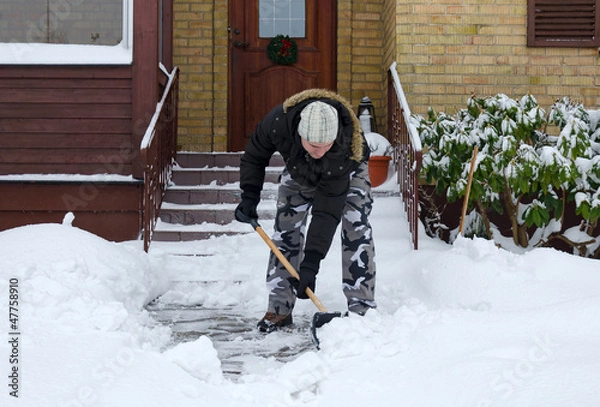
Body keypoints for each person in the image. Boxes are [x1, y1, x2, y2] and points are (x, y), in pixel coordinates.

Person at [234, 88, 377, 332]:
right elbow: (254, 156)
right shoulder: (278, 124)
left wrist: (311, 264)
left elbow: (326, 213)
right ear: (299, 134)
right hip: (300, 168)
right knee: (286, 228)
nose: (320, 151)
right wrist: (249, 196)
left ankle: (361, 308)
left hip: (346, 172)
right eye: (313, 145)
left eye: (325, 145)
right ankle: (279, 308)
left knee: (356, 227)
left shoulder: (344, 147)